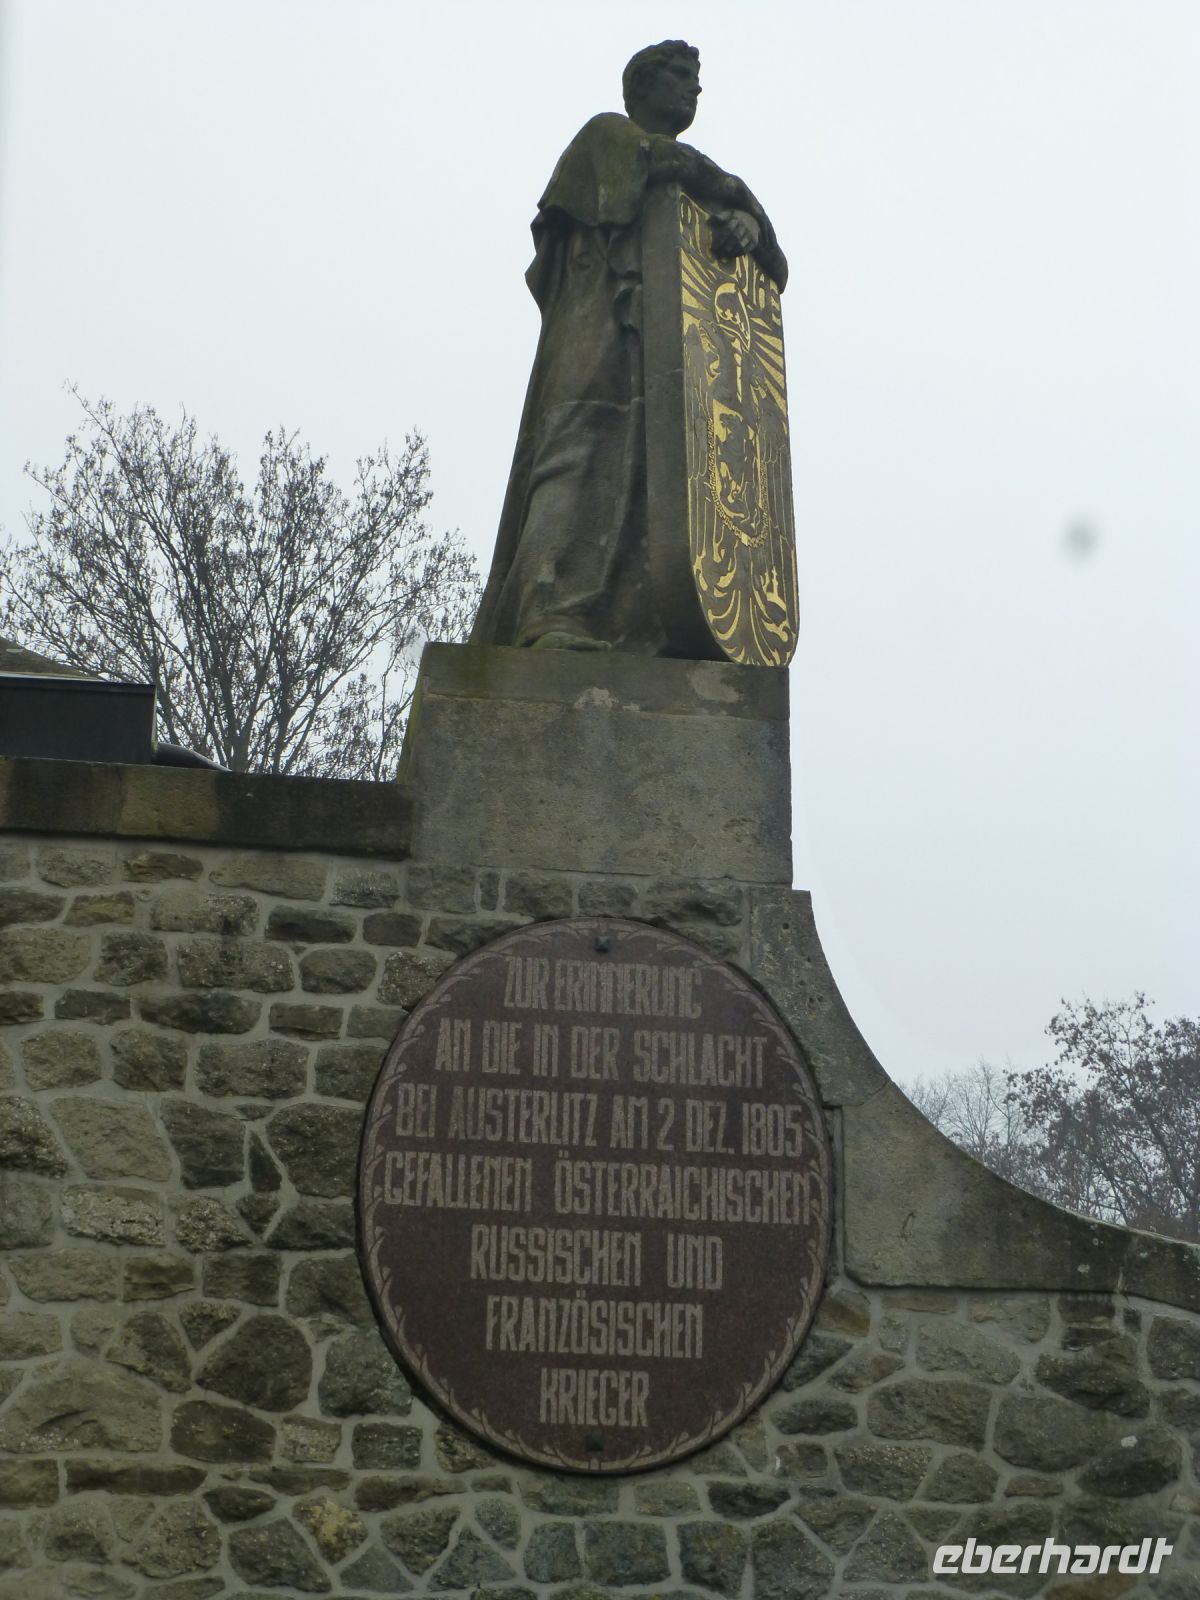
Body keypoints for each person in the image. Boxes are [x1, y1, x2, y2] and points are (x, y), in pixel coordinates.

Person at [470, 40, 787, 654]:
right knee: (576, 459)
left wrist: (746, 227)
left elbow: (774, 263)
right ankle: (548, 611)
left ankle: (639, 626)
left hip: (667, 365)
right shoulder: (606, 137)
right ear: (640, 85)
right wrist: (733, 196)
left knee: (659, 486)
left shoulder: (697, 176)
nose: (694, 89)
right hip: (596, 334)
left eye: (697, 79)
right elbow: (657, 166)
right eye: (679, 75)